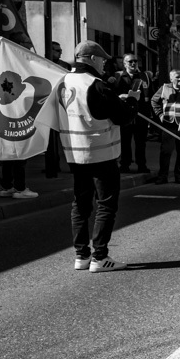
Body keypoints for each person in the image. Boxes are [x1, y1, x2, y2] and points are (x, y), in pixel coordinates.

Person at [56, 39, 138, 273]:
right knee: (105, 205)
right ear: (91, 59)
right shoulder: (96, 85)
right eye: (102, 60)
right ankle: (99, 257)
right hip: (100, 153)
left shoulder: (63, 82)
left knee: (80, 205)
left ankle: (81, 255)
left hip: (75, 154)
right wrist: (132, 100)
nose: (104, 64)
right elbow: (123, 117)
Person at [109, 52, 153, 174]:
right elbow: (111, 96)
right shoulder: (117, 77)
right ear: (124, 64)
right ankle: (125, 164)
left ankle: (142, 165)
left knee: (141, 143)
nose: (133, 63)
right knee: (125, 142)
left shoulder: (145, 77)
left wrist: (150, 115)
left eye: (135, 61)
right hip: (124, 115)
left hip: (140, 116)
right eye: (130, 61)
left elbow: (151, 95)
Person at [42, 42, 72, 178]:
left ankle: (72, 164)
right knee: (50, 139)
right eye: (57, 50)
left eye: (60, 50)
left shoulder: (65, 65)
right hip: (48, 104)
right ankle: (52, 165)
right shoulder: (42, 63)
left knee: (67, 137)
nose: (60, 52)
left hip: (63, 103)